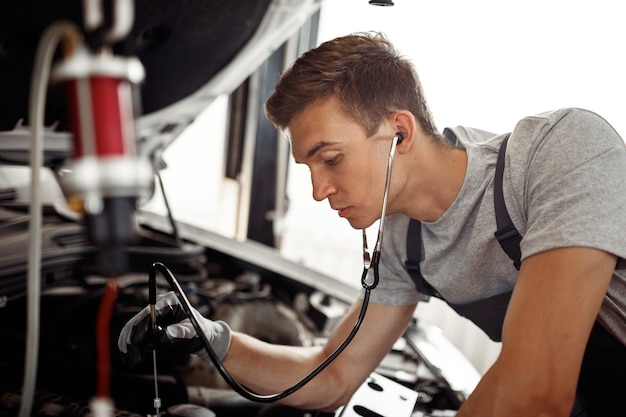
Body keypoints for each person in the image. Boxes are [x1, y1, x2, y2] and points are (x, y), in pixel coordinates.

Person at [118, 32, 626, 417]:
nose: (318, 190)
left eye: (331, 159)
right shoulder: (404, 241)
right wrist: (216, 338)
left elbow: (534, 391)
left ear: (399, 132)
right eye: (309, 170)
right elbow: (334, 375)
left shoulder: (560, 151)